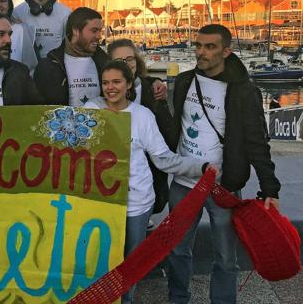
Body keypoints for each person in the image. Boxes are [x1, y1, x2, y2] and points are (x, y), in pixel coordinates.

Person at [84, 60, 216, 304]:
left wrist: (200, 167)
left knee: (132, 263)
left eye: (116, 82)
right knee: (99, 260)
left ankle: (127, 301)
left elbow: (164, 160)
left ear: (128, 86)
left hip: (136, 203)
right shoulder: (91, 111)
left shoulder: (143, 116)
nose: (110, 88)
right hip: (101, 201)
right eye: (105, 83)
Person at [167, 24, 281, 304]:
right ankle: (178, 298)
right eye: (198, 45)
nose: (201, 52)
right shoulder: (183, 82)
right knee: (177, 249)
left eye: (210, 47)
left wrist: (270, 188)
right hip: (184, 182)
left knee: (226, 257)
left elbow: (256, 142)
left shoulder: (243, 91)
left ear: (226, 51)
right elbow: (173, 127)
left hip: (223, 188)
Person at [107, 38, 174, 214]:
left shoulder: (151, 89)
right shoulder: (104, 92)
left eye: (130, 59)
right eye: (119, 61)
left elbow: (165, 129)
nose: (126, 64)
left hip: (147, 170)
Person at [33, 7, 109, 106]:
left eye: (100, 31)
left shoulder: (105, 62)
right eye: (94, 31)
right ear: (75, 31)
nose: (99, 36)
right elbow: (38, 106)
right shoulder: (48, 66)